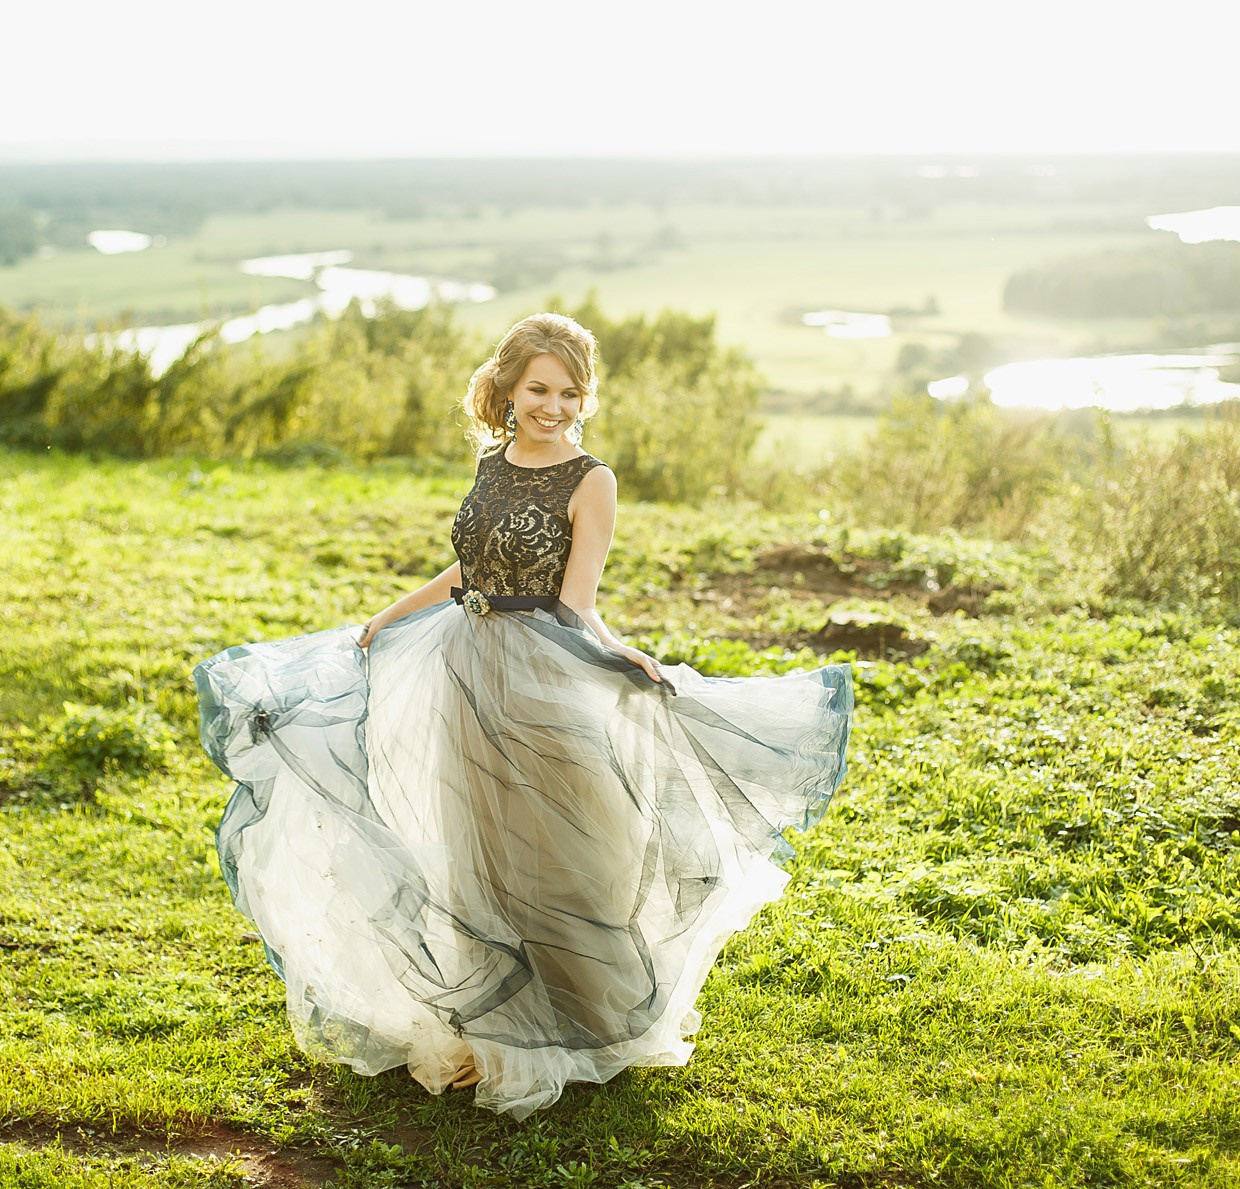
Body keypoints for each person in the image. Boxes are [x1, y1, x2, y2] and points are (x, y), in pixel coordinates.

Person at [194, 312, 851, 1119]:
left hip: (541, 677)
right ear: (508, 388)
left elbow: (578, 601)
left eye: (570, 392)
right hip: (463, 668)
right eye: (540, 389)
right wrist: (389, 615)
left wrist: (620, 653)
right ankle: (497, 1028)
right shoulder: (492, 460)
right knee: (478, 852)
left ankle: (584, 1021)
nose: (554, 406)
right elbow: (468, 569)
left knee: (554, 852)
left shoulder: (591, 479)